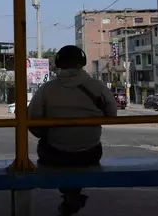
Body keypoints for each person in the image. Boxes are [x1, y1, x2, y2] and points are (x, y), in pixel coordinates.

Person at [28, 45, 117, 216]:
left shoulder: (46, 89)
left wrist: (48, 133)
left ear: (59, 63)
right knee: (79, 154)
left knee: (50, 148)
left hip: (55, 154)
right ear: (82, 63)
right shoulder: (97, 86)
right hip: (90, 153)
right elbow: (112, 114)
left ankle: (70, 194)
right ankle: (72, 194)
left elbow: (33, 121)